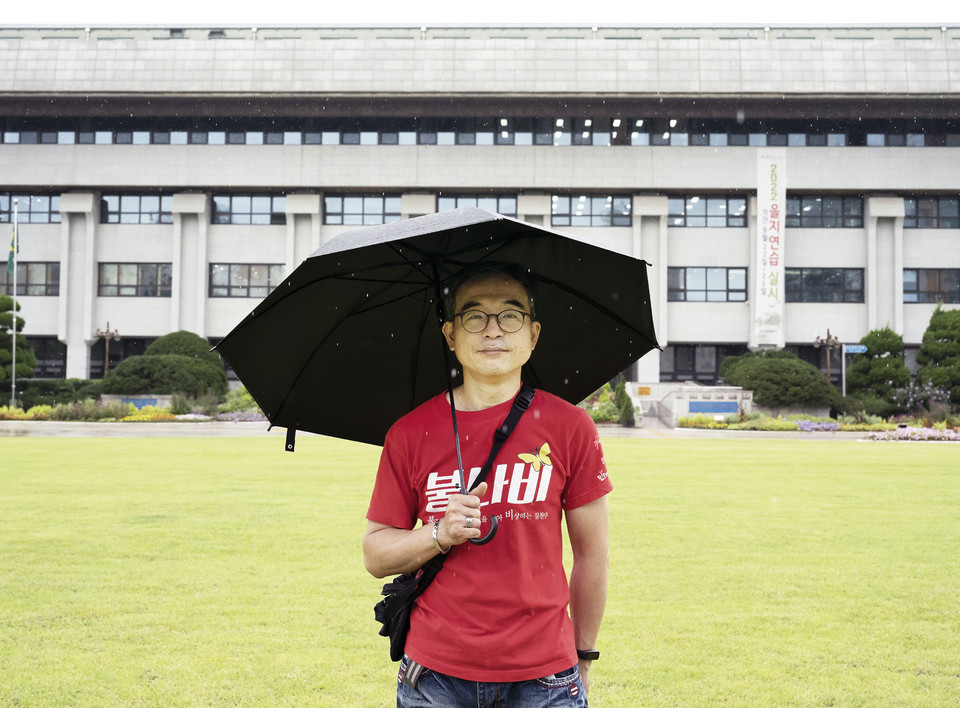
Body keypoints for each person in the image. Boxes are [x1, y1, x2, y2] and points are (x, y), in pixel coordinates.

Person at [363, 262, 612, 707]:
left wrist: (583, 654)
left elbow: (592, 553)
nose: (493, 330)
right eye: (474, 317)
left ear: (532, 335)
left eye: (510, 315)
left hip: (546, 676)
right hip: (435, 676)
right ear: (450, 335)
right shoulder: (408, 433)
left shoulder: (571, 426)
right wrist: (439, 533)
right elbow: (376, 554)